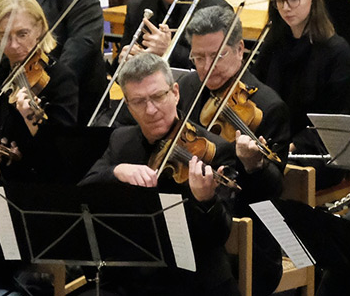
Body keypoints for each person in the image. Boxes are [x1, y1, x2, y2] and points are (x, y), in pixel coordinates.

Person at [79, 53, 240, 296]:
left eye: (157, 96)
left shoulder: (215, 149)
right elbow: (83, 191)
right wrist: (117, 171)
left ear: (175, 92)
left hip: (193, 282)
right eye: (139, 101)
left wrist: (206, 201)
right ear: (128, 105)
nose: (151, 110)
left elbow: (218, 236)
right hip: (131, 280)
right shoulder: (122, 141)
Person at [178, 5, 289, 295]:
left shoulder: (268, 106)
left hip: (244, 237)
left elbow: (271, 193)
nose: (205, 66)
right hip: (188, 222)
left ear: (240, 49)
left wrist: (254, 166)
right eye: (198, 57)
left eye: (216, 56)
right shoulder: (186, 88)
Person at [252, 0, 350, 190]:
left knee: (264, 174)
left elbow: (335, 120)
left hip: (319, 154)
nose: (286, 7)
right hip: (275, 145)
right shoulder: (274, 45)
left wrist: (290, 146)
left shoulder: (337, 53)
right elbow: (256, 92)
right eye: (279, 1)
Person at [0, 0, 78, 184]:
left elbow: (62, 156)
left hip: (39, 185)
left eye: (22, 34)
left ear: (39, 29)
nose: (13, 46)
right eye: (4, 36)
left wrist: (32, 120)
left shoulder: (61, 79)